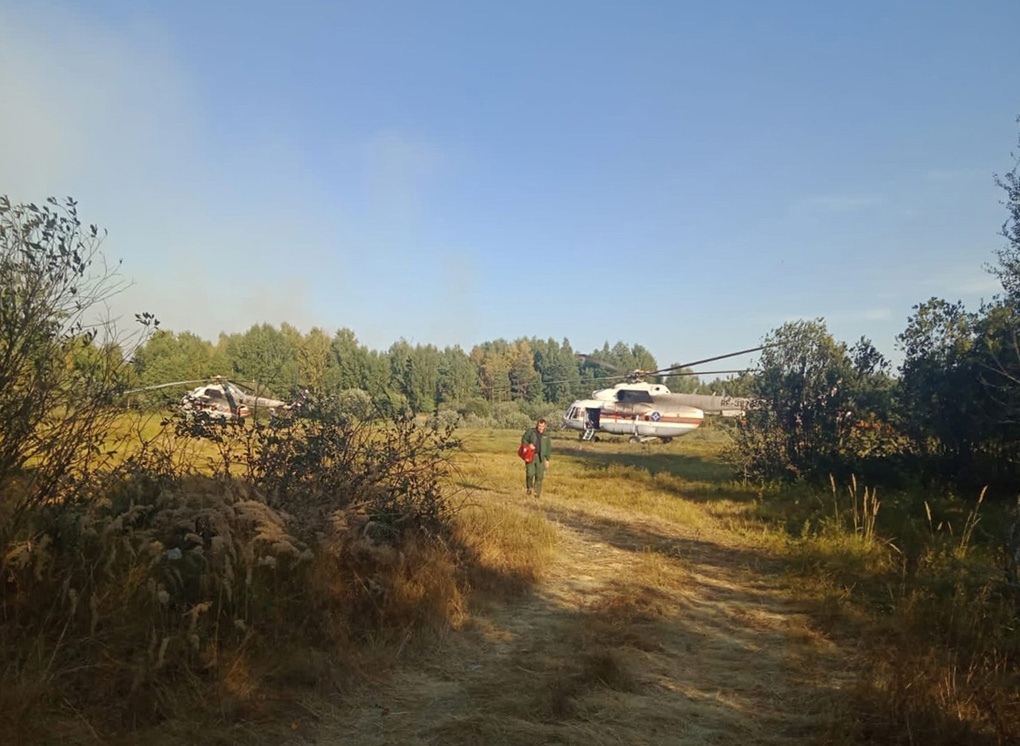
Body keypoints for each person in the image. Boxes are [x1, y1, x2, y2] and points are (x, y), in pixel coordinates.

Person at [521, 418, 552, 497]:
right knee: (530, 473)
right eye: (539, 426)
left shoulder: (546, 435)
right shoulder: (530, 432)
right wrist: (528, 445)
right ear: (537, 425)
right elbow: (523, 439)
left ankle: (537, 493)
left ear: (545, 426)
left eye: (542, 426)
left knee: (540, 476)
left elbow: (548, 447)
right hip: (531, 456)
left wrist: (547, 459)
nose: (540, 428)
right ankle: (529, 488)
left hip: (541, 457)